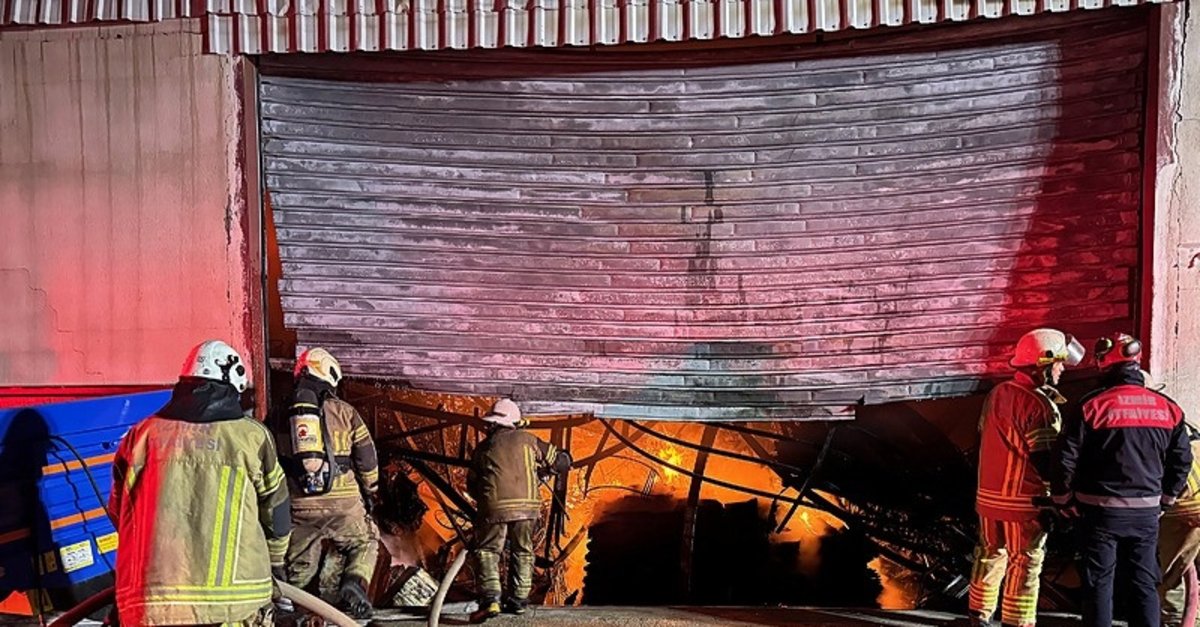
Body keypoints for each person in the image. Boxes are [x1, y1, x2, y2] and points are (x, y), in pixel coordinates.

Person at [108, 340, 290, 626]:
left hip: (151, 607)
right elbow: (277, 513)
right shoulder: (251, 438)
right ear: (234, 387)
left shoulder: (141, 435)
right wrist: (276, 565)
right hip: (235, 606)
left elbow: (120, 513)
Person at [1052, 332, 1192, 627]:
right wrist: (1166, 499)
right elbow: (1182, 461)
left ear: (1106, 363)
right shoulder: (1169, 408)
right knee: (1144, 583)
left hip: (1099, 513)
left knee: (1099, 585)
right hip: (1146, 515)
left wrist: (1062, 499)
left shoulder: (1091, 406)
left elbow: (1065, 459)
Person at [968, 328, 1084, 627]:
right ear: (1042, 365)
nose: (1061, 369)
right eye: (1058, 363)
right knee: (1026, 562)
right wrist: (1064, 494)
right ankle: (1017, 622)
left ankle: (978, 616)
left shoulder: (998, 394)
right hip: (1024, 502)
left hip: (989, 499)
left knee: (989, 555)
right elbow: (1045, 460)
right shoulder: (1039, 405)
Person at [276, 347, 380, 619]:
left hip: (299, 506)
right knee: (365, 540)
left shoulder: (280, 413)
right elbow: (367, 457)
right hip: (343, 503)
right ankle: (354, 583)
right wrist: (371, 491)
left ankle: (294, 611)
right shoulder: (346, 412)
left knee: (299, 563)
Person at [467, 398, 570, 621]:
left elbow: (472, 485)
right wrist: (547, 470)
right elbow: (561, 460)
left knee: (487, 551)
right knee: (523, 550)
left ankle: (491, 600)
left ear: (493, 423)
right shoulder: (529, 440)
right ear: (515, 422)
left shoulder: (483, 448)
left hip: (494, 508)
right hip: (527, 508)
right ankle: (518, 601)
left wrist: (486, 503)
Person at [1152, 369, 1200, 627]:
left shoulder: (1152, 424)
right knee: (1191, 569)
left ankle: (1173, 622)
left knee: (1171, 574)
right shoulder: (1183, 418)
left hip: (1182, 506)